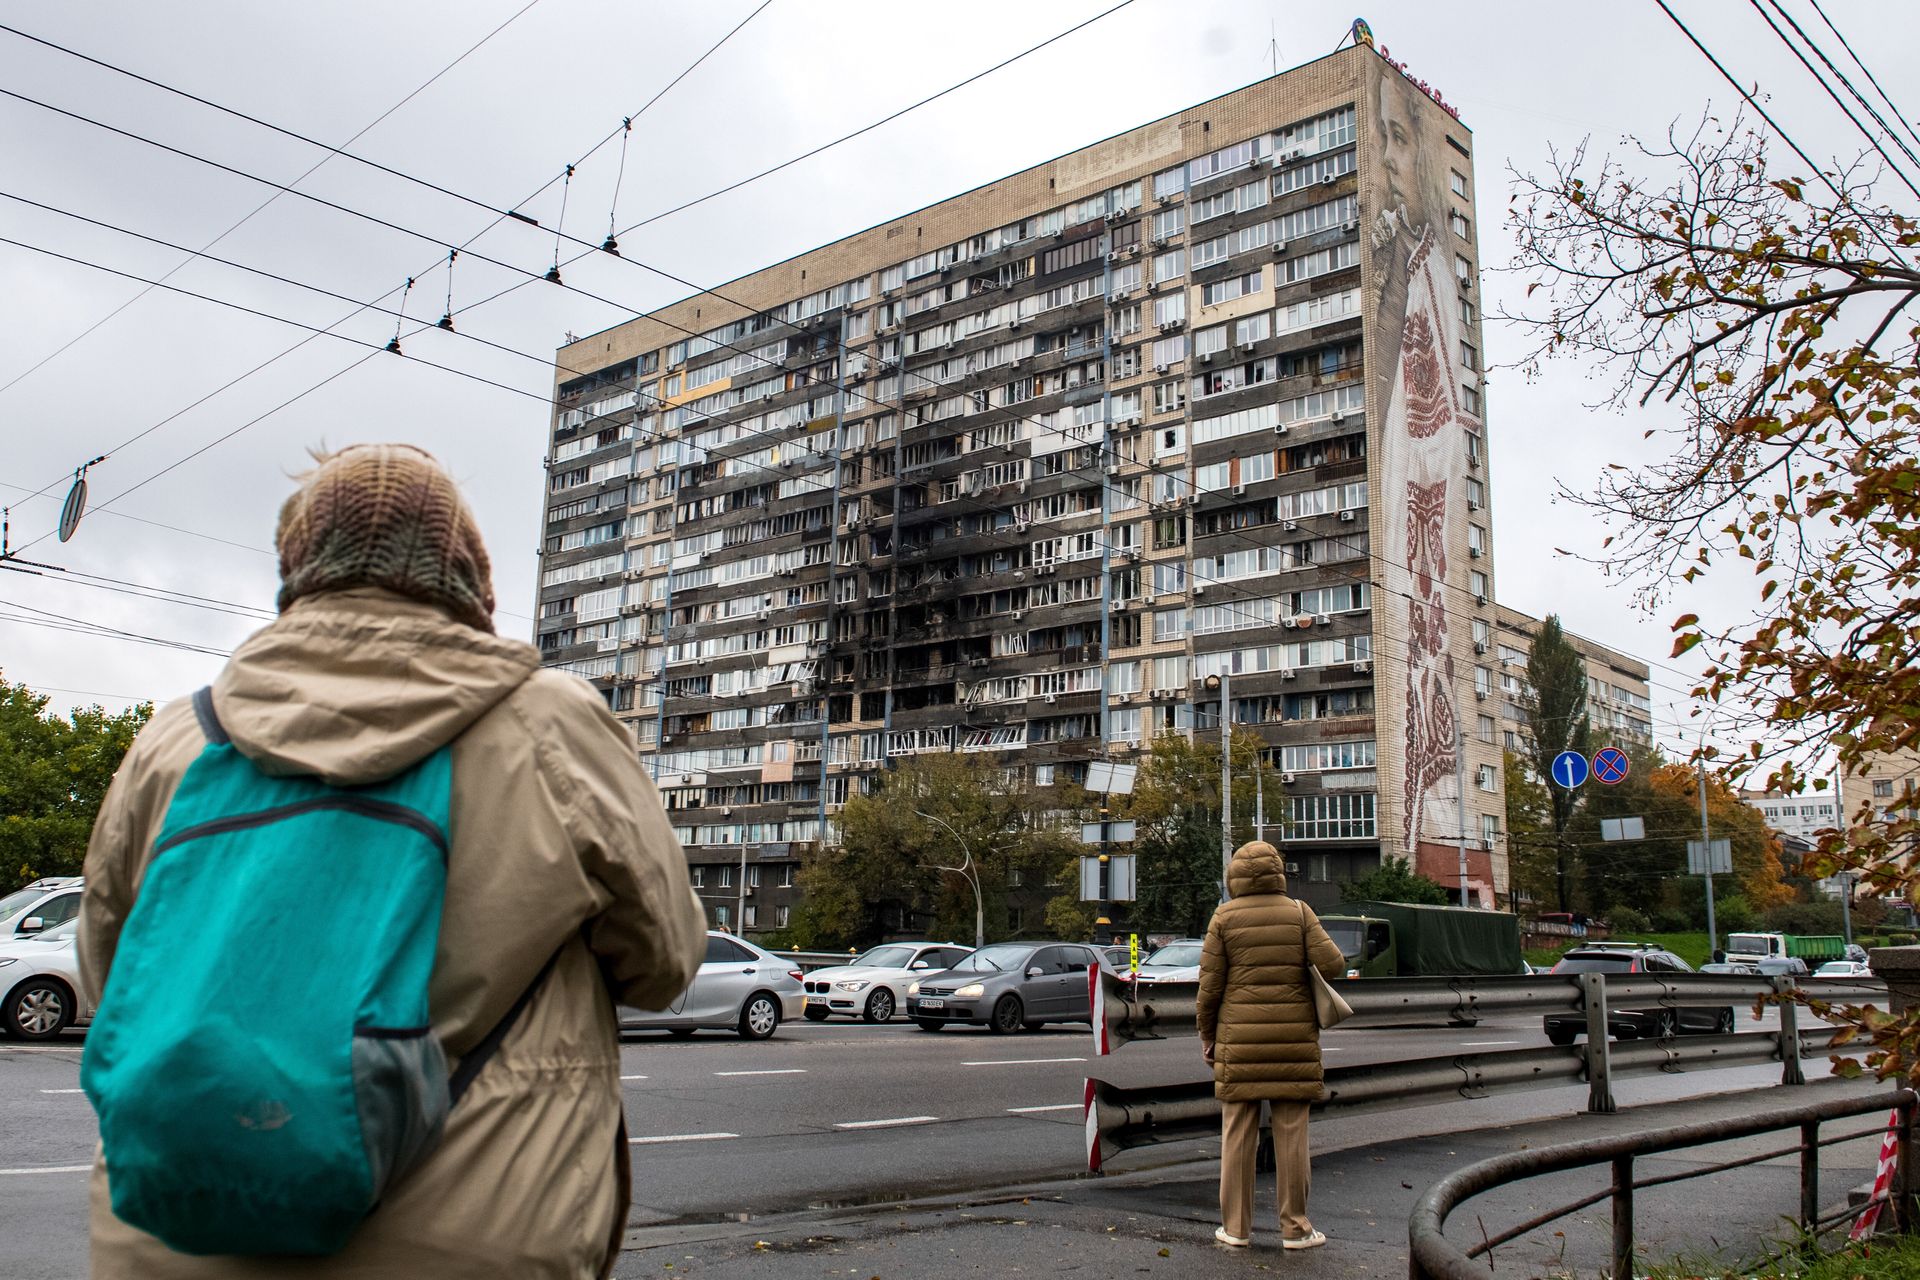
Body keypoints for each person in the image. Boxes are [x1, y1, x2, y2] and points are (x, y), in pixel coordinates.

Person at [77, 443, 707, 1278]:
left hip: (175, 1236)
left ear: (297, 569)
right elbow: (664, 962)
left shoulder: (177, 739)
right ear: (469, 577)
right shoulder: (550, 726)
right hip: (470, 1233)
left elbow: (108, 979)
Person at [1195, 840, 1345, 1251]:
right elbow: (1333, 965)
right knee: (1292, 1135)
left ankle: (1236, 1228)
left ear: (1236, 877)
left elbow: (1209, 989)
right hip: (1293, 1040)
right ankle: (1295, 1229)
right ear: (1278, 872)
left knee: (1237, 1134)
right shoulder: (1299, 913)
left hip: (1238, 1040)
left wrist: (1208, 1036)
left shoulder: (1223, 918)